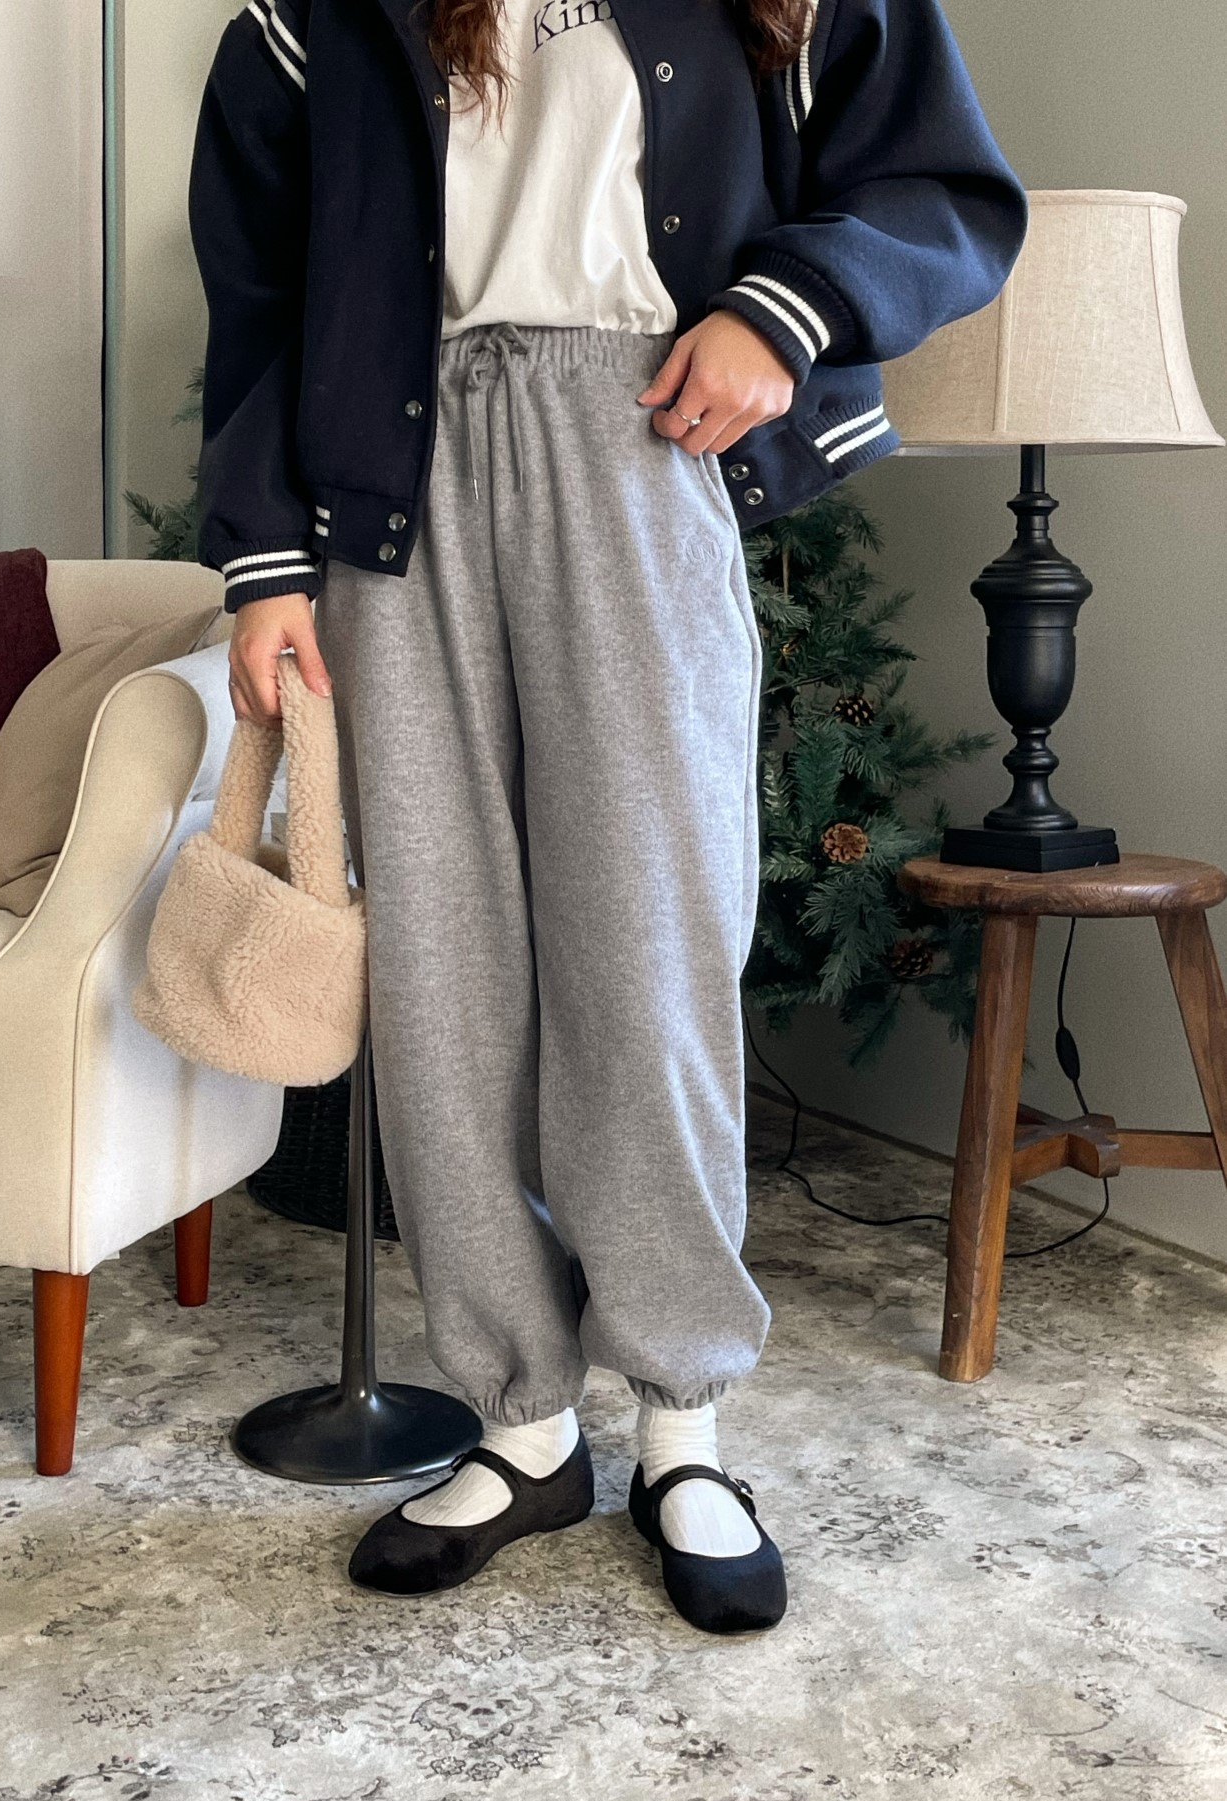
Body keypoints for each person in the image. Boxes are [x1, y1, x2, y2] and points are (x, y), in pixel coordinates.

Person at [188, 0, 1026, 1635]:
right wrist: (264, 560)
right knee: (443, 978)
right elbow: (261, 290)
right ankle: (521, 1426)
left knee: (648, 951)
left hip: (636, 440)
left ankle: (681, 1427)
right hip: (391, 487)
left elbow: (941, 186)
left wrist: (778, 315)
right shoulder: (312, 19)